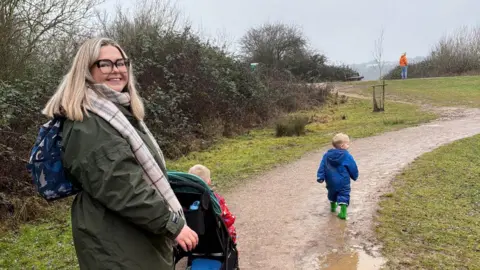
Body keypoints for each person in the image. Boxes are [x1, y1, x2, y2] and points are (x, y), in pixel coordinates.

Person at [42, 37, 198, 269]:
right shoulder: (90, 121)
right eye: (105, 64)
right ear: (86, 69)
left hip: (130, 232)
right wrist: (171, 224)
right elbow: (122, 186)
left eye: (121, 63)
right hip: (115, 239)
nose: (116, 70)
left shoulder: (116, 112)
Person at [188, 164, 237, 244]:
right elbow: (228, 219)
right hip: (216, 236)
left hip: (196, 235)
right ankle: (231, 251)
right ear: (209, 182)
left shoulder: (187, 199)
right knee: (230, 228)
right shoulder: (215, 199)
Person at [316, 133, 359, 220]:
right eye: (347, 143)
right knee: (344, 194)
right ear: (343, 146)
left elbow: (322, 165)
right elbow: (352, 166)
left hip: (330, 180)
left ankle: (333, 207)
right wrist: (355, 175)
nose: (348, 145)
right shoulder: (346, 155)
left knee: (332, 192)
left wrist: (320, 177)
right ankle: (343, 213)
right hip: (343, 180)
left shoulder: (327, 155)